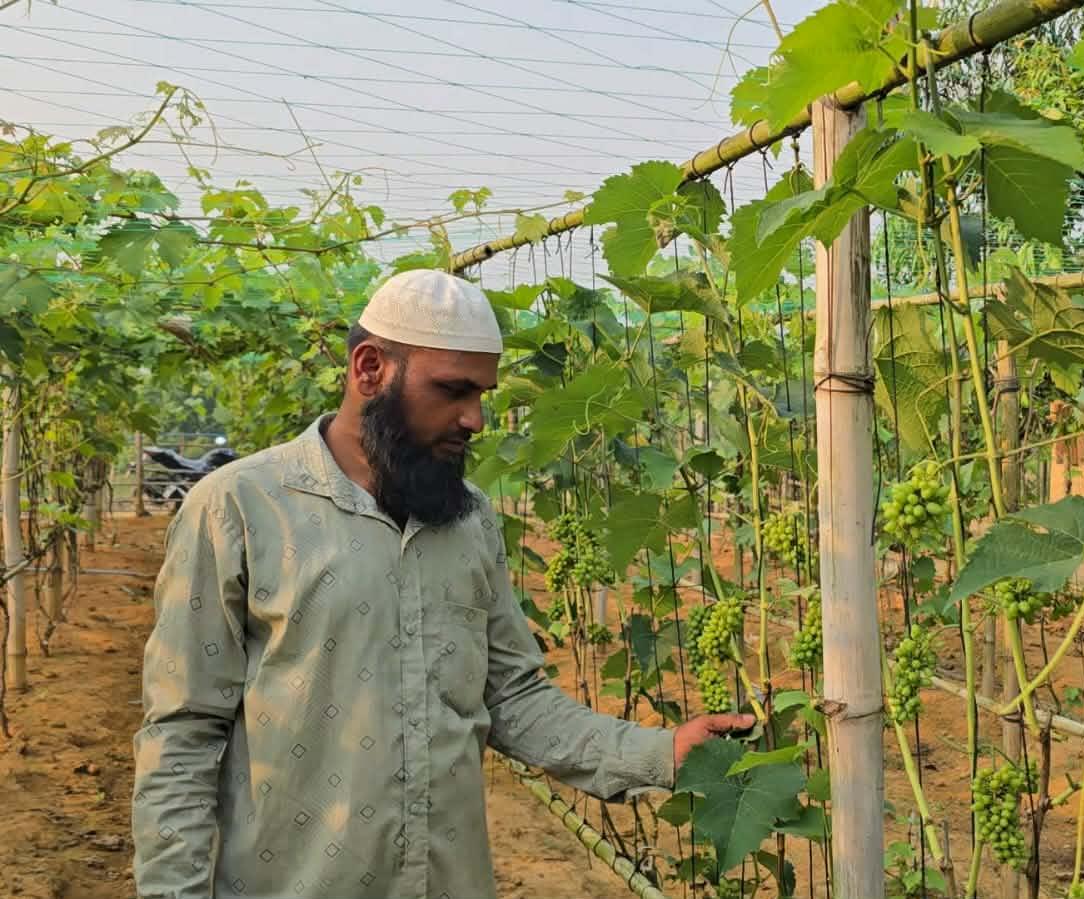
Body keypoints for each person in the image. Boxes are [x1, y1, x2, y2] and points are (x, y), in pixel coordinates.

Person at [132, 269, 753, 899]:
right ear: (370, 368)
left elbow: (512, 697)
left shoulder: (471, 519)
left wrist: (658, 752)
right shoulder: (237, 508)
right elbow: (183, 734)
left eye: (481, 394)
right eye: (453, 391)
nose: (475, 419)